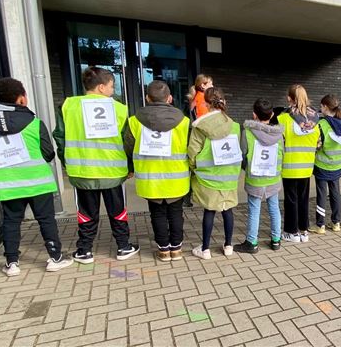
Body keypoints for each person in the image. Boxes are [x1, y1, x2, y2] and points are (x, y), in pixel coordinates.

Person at [0, 78, 72, 276]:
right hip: (37, 181)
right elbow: (48, 152)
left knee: (11, 221)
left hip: (7, 183)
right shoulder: (34, 122)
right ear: (21, 99)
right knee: (46, 219)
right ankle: (55, 257)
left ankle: (12, 263)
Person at [54, 67, 139, 264]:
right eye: (112, 86)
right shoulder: (118, 108)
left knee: (85, 212)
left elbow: (59, 137)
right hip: (112, 170)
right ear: (101, 87)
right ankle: (123, 246)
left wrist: (66, 162)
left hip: (82, 170)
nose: (113, 90)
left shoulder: (68, 106)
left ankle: (84, 250)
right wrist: (130, 166)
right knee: (118, 209)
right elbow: (128, 140)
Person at [123, 81, 190, 261]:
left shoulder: (134, 121)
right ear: (169, 98)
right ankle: (176, 249)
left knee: (157, 214)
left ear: (147, 98)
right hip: (177, 179)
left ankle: (163, 250)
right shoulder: (184, 122)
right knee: (176, 213)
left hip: (150, 179)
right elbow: (191, 148)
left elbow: (128, 147)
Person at [188, 88, 241, 259]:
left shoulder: (200, 126)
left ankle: (205, 249)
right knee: (228, 210)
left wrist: (194, 168)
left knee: (209, 211)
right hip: (229, 175)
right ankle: (228, 246)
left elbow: (192, 153)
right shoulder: (234, 125)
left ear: (206, 103)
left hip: (207, 177)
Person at [236, 99, 283, 253]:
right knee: (274, 208)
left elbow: (243, 155)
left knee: (254, 210)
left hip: (255, 178)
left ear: (254, 114)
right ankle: (276, 240)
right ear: (272, 114)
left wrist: (247, 168)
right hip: (273, 178)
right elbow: (282, 155)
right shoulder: (279, 134)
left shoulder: (247, 132)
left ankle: (252, 242)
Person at [278, 85, 320, 243]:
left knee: (291, 200)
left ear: (289, 98)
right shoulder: (315, 118)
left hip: (290, 166)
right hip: (307, 166)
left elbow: (279, 143)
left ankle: (291, 232)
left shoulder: (283, 118)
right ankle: (304, 231)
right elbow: (319, 143)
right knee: (303, 199)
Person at [310, 95, 341, 234]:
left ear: (326, 107)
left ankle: (320, 225)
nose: (320, 109)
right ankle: (336, 223)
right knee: (335, 194)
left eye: (321, 106)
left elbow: (316, 146)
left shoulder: (321, 125)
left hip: (322, 166)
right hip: (337, 165)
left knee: (321, 195)